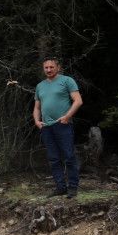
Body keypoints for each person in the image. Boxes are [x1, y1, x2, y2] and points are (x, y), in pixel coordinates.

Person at [32, 57, 82, 198]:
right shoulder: (40, 86)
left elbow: (78, 101)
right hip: (46, 127)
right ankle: (60, 187)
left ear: (57, 67)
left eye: (51, 67)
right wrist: (37, 121)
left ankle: (72, 188)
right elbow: (37, 107)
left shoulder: (67, 81)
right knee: (53, 158)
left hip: (63, 125)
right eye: (46, 67)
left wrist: (67, 117)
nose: (48, 70)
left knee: (69, 156)